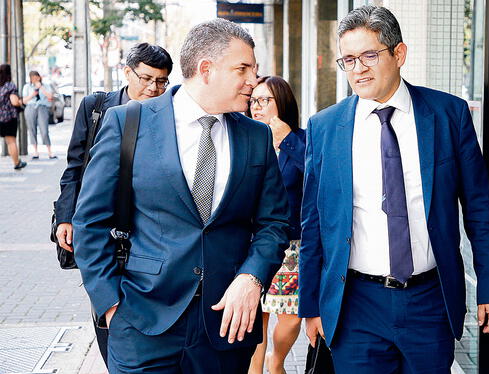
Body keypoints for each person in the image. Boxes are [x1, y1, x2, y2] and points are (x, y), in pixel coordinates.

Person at [298, 6, 489, 373]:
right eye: (348, 59)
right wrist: (311, 306)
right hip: (355, 306)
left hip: (429, 301)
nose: (358, 68)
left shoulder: (448, 115)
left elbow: (480, 209)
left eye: (369, 55)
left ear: (399, 54)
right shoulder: (325, 127)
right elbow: (313, 224)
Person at [73, 19, 289, 373]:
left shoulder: (256, 136)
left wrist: (253, 278)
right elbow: (89, 221)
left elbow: (275, 223)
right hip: (143, 322)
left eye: (255, 69)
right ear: (206, 69)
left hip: (226, 326)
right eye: (243, 69)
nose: (253, 80)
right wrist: (111, 305)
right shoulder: (128, 123)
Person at [54, 42, 173, 366]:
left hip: (149, 235)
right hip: (104, 234)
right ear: (127, 72)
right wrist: (66, 217)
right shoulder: (97, 107)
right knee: (109, 317)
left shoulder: (168, 115)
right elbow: (75, 166)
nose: (153, 88)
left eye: (161, 81)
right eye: (146, 78)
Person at [246, 76, 305, 374]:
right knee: (257, 316)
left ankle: (277, 360)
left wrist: (288, 141)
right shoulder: (248, 142)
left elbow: (320, 179)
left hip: (294, 247)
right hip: (254, 243)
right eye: (253, 100)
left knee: (291, 316)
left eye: (264, 100)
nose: (257, 107)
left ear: (282, 102)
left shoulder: (303, 140)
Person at [22, 71, 55, 159]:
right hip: (30, 107)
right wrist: (33, 94)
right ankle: (35, 151)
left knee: (44, 130)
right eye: (33, 78)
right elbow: (24, 100)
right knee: (32, 129)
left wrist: (41, 88)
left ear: (39, 77)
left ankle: (49, 151)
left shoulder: (46, 86)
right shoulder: (27, 87)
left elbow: (50, 97)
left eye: (36, 77)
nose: (35, 79)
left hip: (42, 107)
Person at [0, 64, 26, 170]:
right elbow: (14, 102)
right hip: (9, 118)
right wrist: (20, 102)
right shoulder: (10, 86)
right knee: (11, 142)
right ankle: (16, 163)